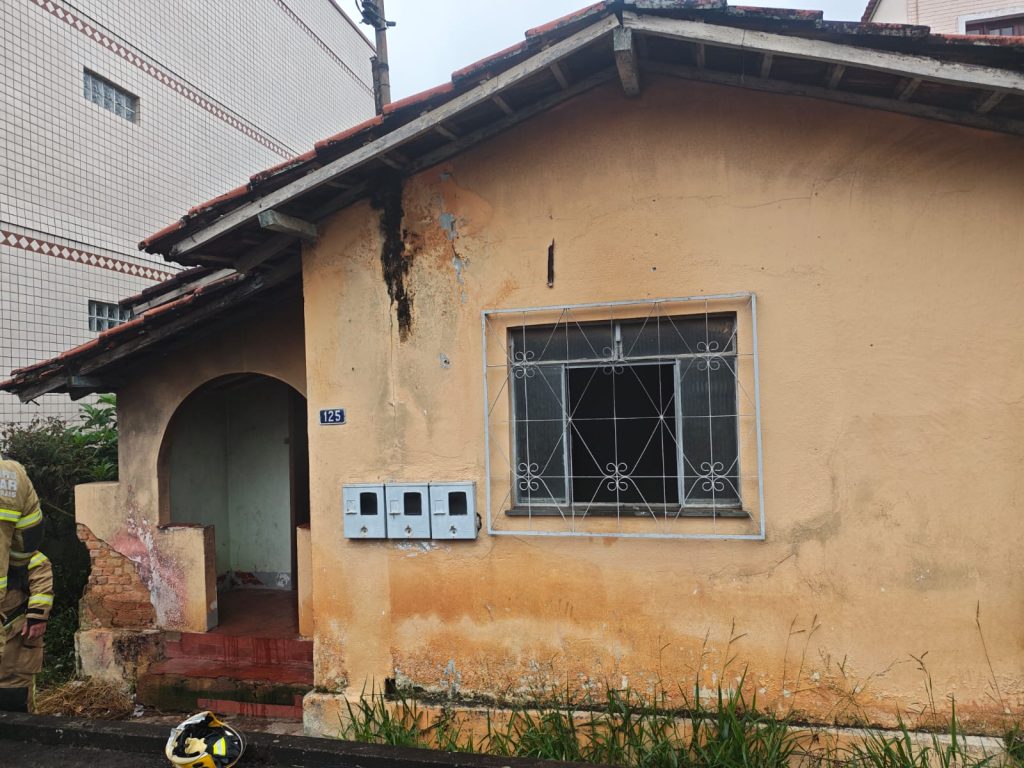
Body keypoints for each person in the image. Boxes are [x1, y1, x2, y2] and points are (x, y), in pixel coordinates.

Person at [0, 453, 45, 711]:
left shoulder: (36, 560)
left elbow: (40, 571)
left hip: (16, 621)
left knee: (14, 686)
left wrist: (37, 615)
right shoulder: (14, 476)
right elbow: (28, 538)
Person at [0, 550, 52, 712]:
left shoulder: (20, 550)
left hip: (13, 631)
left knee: (15, 693)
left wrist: (37, 615)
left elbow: (40, 571)